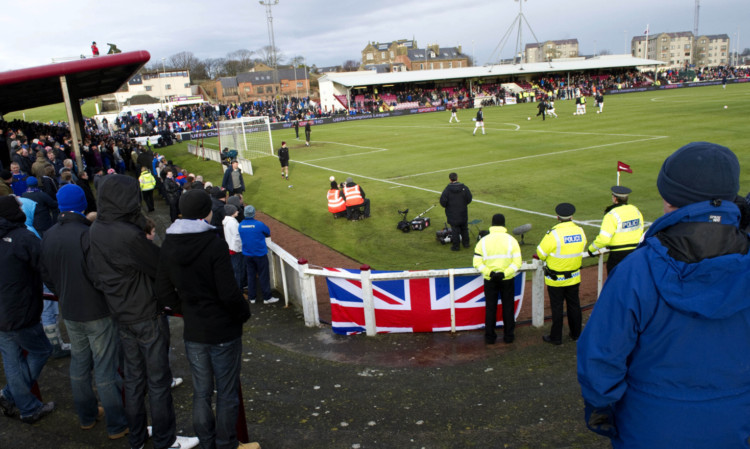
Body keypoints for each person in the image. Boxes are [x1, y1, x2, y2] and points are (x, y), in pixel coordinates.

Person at [577, 141, 750, 448]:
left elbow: (600, 360)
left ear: (669, 198)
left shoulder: (637, 270)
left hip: (648, 425)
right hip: (734, 424)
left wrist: (603, 410)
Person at [88, 175, 198, 449]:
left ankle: (137, 437)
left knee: (135, 380)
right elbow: (161, 267)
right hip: (145, 315)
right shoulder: (127, 235)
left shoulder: (98, 227)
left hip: (121, 312)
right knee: (158, 381)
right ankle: (165, 439)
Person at [155, 189, 258, 449]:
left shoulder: (169, 242)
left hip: (195, 329)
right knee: (226, 392)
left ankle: (209, 443)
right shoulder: (213, 242)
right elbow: (228, 291)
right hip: (222, 329)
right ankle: (226, 444)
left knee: (201, 392)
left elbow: (164, 290)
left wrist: (186, 307)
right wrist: (243, 312)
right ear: (206, 212)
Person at [40, 184, 129, 439]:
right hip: (96, 311)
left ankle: (87, 416)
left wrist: (62, 292)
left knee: (79, 364)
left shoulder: (49, 234)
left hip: (70, 309)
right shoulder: (87, 234)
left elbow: (46, 274)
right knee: (104, 369)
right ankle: (116, 424)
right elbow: (100, 276)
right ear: (82, 205)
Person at [0, 195, 55, 424]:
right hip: (21, 311)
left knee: (12, 360)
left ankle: (13, 398)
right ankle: (23, 403)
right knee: (41, 350)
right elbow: (47, 269)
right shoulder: (24, 238)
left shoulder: (21, 238)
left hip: (6, 311)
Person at [535, 203, 586, 345]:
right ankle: (576, 334)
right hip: (574, 277)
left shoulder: (553, 234)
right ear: (572, 216)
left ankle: (556, 337)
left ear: (557, 217)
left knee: (557, 308)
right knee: (574, 305)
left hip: (555, 279)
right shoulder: (580, 231)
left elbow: (541, 253)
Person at [473, 213, 522, 344]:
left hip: (490, 280)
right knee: (508, 307)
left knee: (490, 308)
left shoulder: (483, 241)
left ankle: (490, 337)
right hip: (507, 279)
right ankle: (509, 336)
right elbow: (517, 263)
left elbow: (477, 263)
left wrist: (490, 273)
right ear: (504, 225)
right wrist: (504, 273)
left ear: (492, 224)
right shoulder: (512, 240)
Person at [587, 185, 644, 274]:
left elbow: (604, 239)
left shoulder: (611, 214)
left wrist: (591, 249)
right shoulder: (635, 210)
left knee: (615, 284)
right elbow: (640, 230)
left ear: (615, 198)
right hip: (635, 253)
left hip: (618, 255)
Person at [238, 205, 279, 305]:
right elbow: (267, 232)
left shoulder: (240, 225)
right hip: (259, 254)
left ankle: (252, 298)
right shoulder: (259, 224)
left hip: (247, 254)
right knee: (263, 275)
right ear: (253, 213)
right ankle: (267, 297)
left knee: (251, 276)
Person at [439, 172, 472, 251]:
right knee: (464, 229)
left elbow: (443, 202)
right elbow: (469, 198)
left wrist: (449, 206)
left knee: (455, 230)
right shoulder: (464, 188)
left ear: (450, 179)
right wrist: (463, 204)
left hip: (452, 213)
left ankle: (456, 246)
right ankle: (466, 244)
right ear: (457, 178)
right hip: (463, 212)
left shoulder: (447, 190)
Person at [222, 204, 246, 289]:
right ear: (232, 212)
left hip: (232, 248)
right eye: (236, 210)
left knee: (237, 270)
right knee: (238, 271)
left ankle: (240, 288)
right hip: (235, 249)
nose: (237, 211)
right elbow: (237, 237)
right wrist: (240, 247)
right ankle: (239, 290)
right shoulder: (232, 222)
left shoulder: (229, 221)